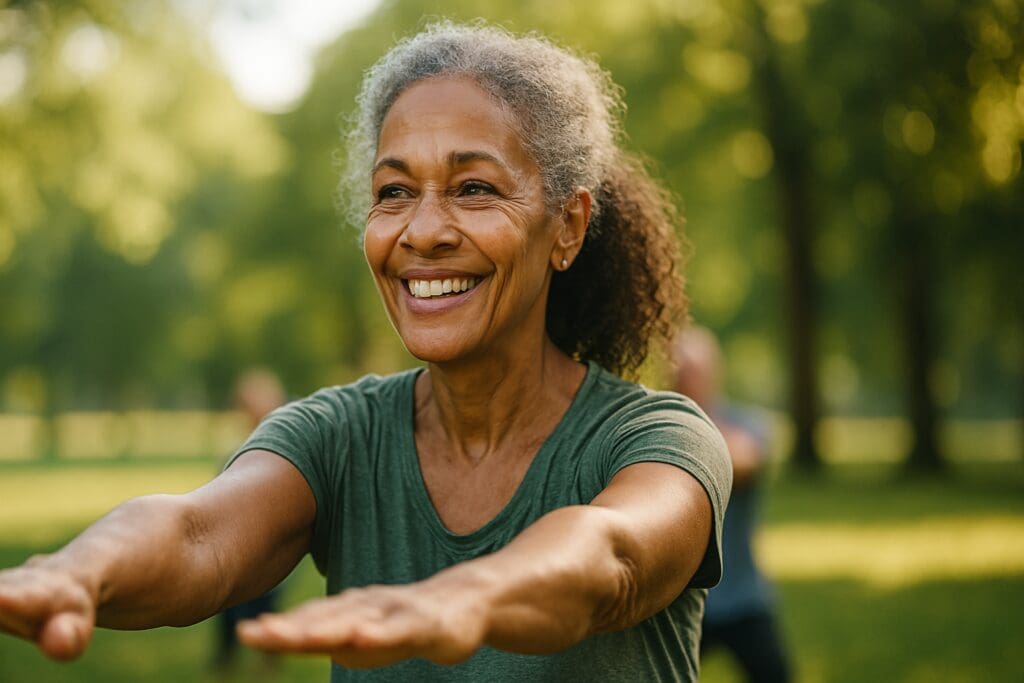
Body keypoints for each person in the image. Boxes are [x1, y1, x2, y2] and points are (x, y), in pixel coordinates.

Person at [0, 22, 732, 682]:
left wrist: (470, 594)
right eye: (393, 191)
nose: (422, 230)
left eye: (473, 188)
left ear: (567, 226)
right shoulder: (338, 437)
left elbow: (612, 554)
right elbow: (198, 532)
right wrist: (76, 569)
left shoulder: (657, 438)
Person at [671, 326, 791, 683]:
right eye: (679, 370)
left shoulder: (745, 423)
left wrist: (682, 446)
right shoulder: (661, 424)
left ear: (713, 372)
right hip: (687, 600)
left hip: (744, 597)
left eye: (693, 370)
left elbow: (744, 462)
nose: (686, 379)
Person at [212, 369, 287, 671]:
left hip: (269, 548)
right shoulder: (239, 450)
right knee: (229, 607)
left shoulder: (287, 447)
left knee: (264, 604)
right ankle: (226, 659)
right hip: (234, 546)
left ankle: (267, 659)